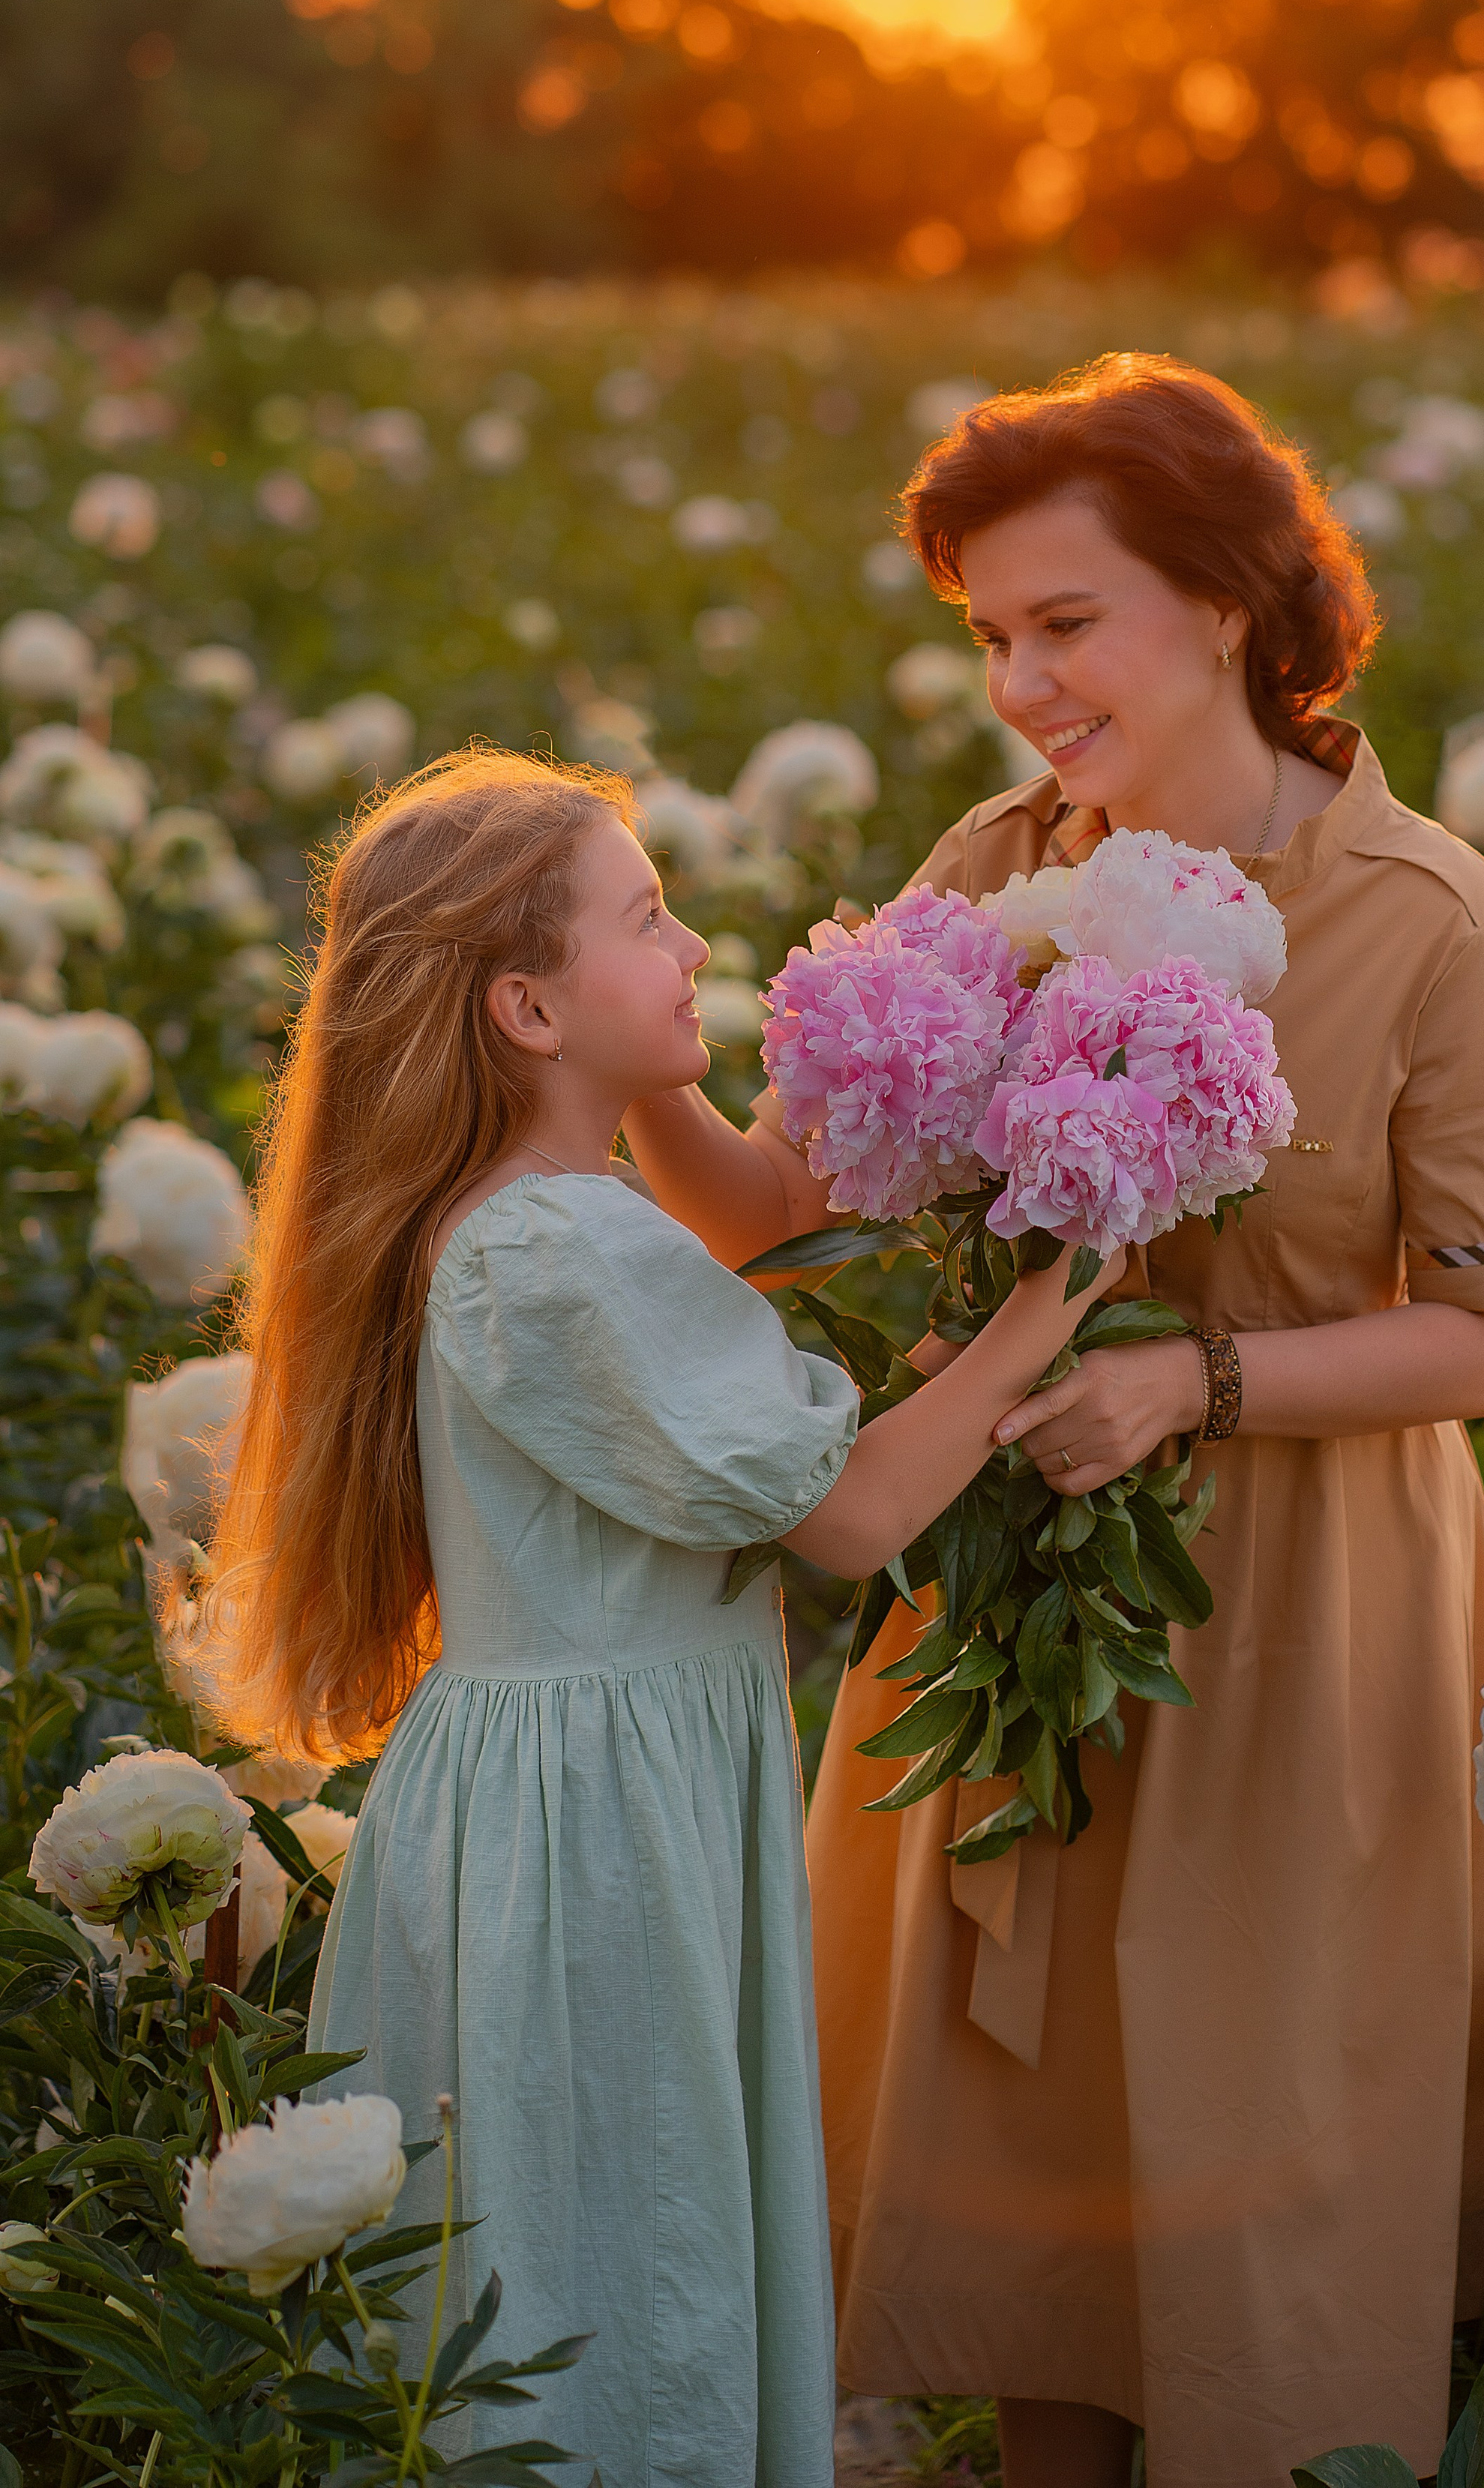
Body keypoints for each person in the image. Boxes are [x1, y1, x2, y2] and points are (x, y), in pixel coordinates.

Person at [625, 352, 1484, 2487]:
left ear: (1231, 603)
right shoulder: (991, 864)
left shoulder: (1441, 931)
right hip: (1008, 1616)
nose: (1021, 685)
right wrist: (605, 1062)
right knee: (1026, 2209)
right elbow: (794, 1198)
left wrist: (1194, 1378)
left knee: (1260, 2224)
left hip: (1296, 1620)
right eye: (988, 638)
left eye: (1066, 624)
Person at [198, 747, 1118, 2488]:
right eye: (647, 917)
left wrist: (937, 1365)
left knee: (578, 2225)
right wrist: (1060, 1285)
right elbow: (848, 1517)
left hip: (576, 1799)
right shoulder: (554, 1251)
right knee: (618, 2247)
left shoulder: (548, 1229)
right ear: (529, 1007)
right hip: (594, 1843)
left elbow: (770, 1448)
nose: (696, 945)